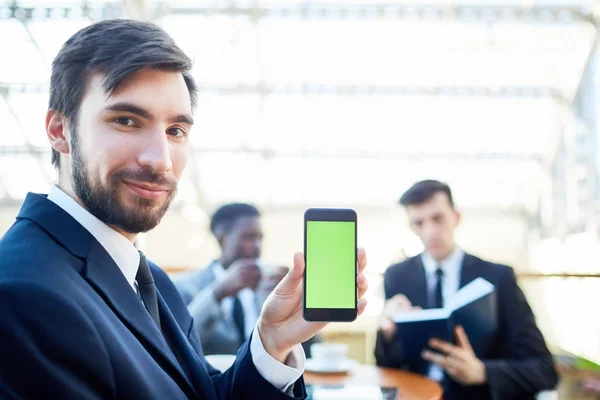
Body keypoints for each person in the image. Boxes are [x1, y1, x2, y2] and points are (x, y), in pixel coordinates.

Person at [0, 19, 369, 400]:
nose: (161, 160)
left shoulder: (151, 280)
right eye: (126, 121)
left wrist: (271, 343)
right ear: (59, 130)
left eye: (175, 131)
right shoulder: (22, 296)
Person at [374, 180, 559, 400]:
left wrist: (482, 372)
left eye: (438, 218)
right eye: (418, 223)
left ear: (456, 217)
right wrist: (387, 333)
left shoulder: (498, 278)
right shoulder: (397, 276)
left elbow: (545, 370)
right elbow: (387, 365)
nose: (430, 232)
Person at [174, 202, 320, 356]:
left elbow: (310, 349)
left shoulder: (271, 287)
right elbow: (177, 344)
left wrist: (297, 302)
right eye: (248, 237)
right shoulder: (184, 287)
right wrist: (217, 293)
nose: (257, 246)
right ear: (221, 238)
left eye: (260, 238)